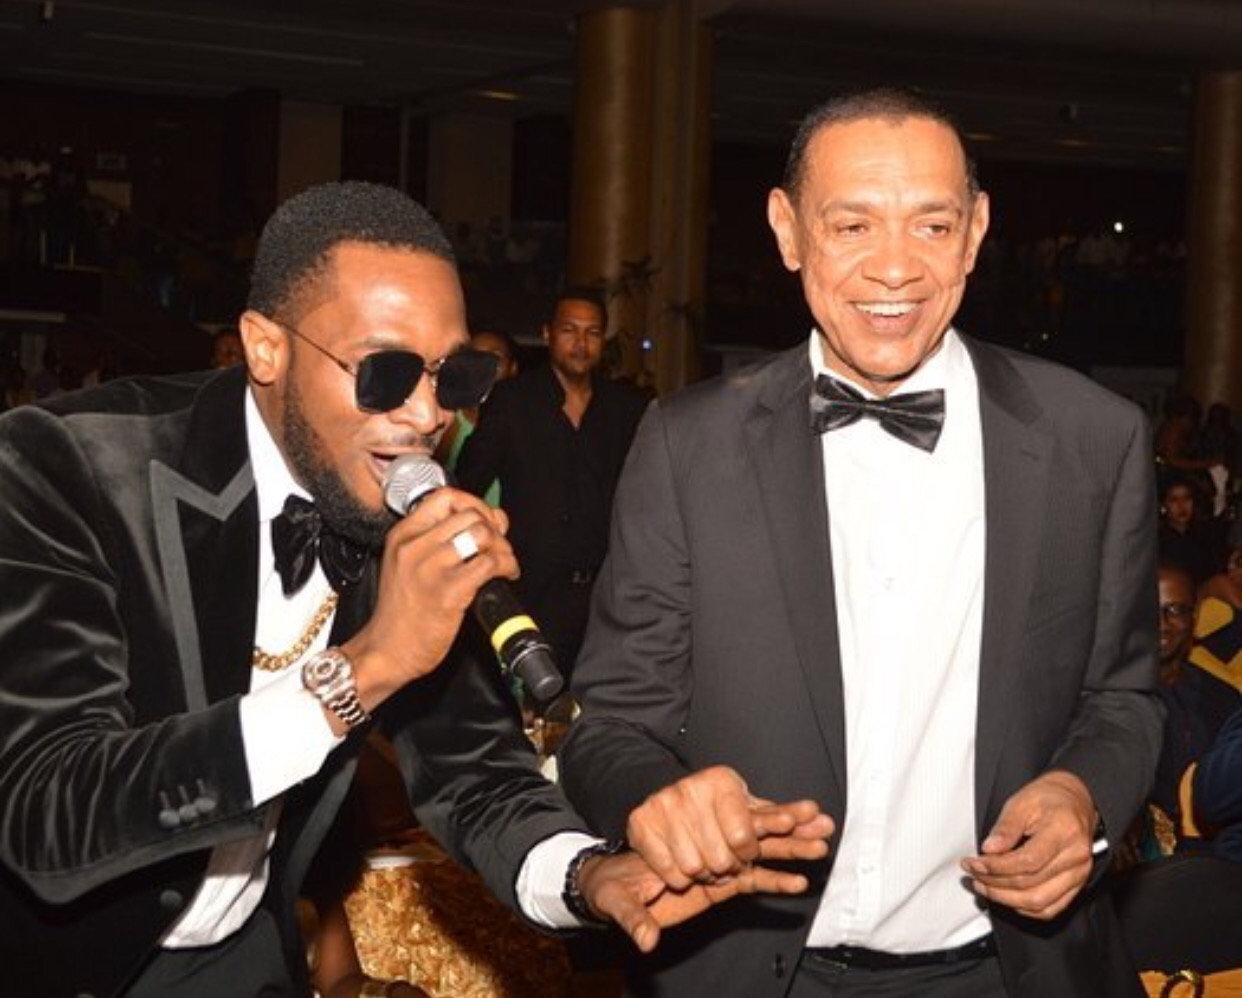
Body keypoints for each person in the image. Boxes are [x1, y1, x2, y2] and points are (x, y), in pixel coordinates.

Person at [0, 181, 831, 996]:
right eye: (385, 371)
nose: (429, 414)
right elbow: (47, 812)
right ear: (265, 347)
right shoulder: (62, 466)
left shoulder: (388, 501)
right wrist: (368, 669)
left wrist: (589, 877)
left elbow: (478, 774)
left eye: (455, 376)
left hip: (243, 957)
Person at [558, 88, 1163, 997]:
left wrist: (1083, 792)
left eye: (932, 226)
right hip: (751, 971)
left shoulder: (1094, 438)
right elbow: (608, 723)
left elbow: (1125, 698)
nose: (895, 268)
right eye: (852, 226)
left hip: (1010, 973)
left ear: (975, 232)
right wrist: (655, 796)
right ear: (788, 231)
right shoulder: (688, 444)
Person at [455, 286, 648, 682]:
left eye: (592, 333)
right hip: (530, 590)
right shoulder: (512, 401)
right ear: (547, 334)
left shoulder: (626, 409)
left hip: (605, 595)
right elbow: (468, 482)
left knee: (599, 699)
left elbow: (645, 500)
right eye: (569, 330)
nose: (581, 343)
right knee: (532, 697)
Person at [434, 328, 517, 507]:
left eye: (495, 359)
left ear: (512, 368)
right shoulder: (447, 420)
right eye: (473, 357)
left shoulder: (527, 422)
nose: (483, 367)